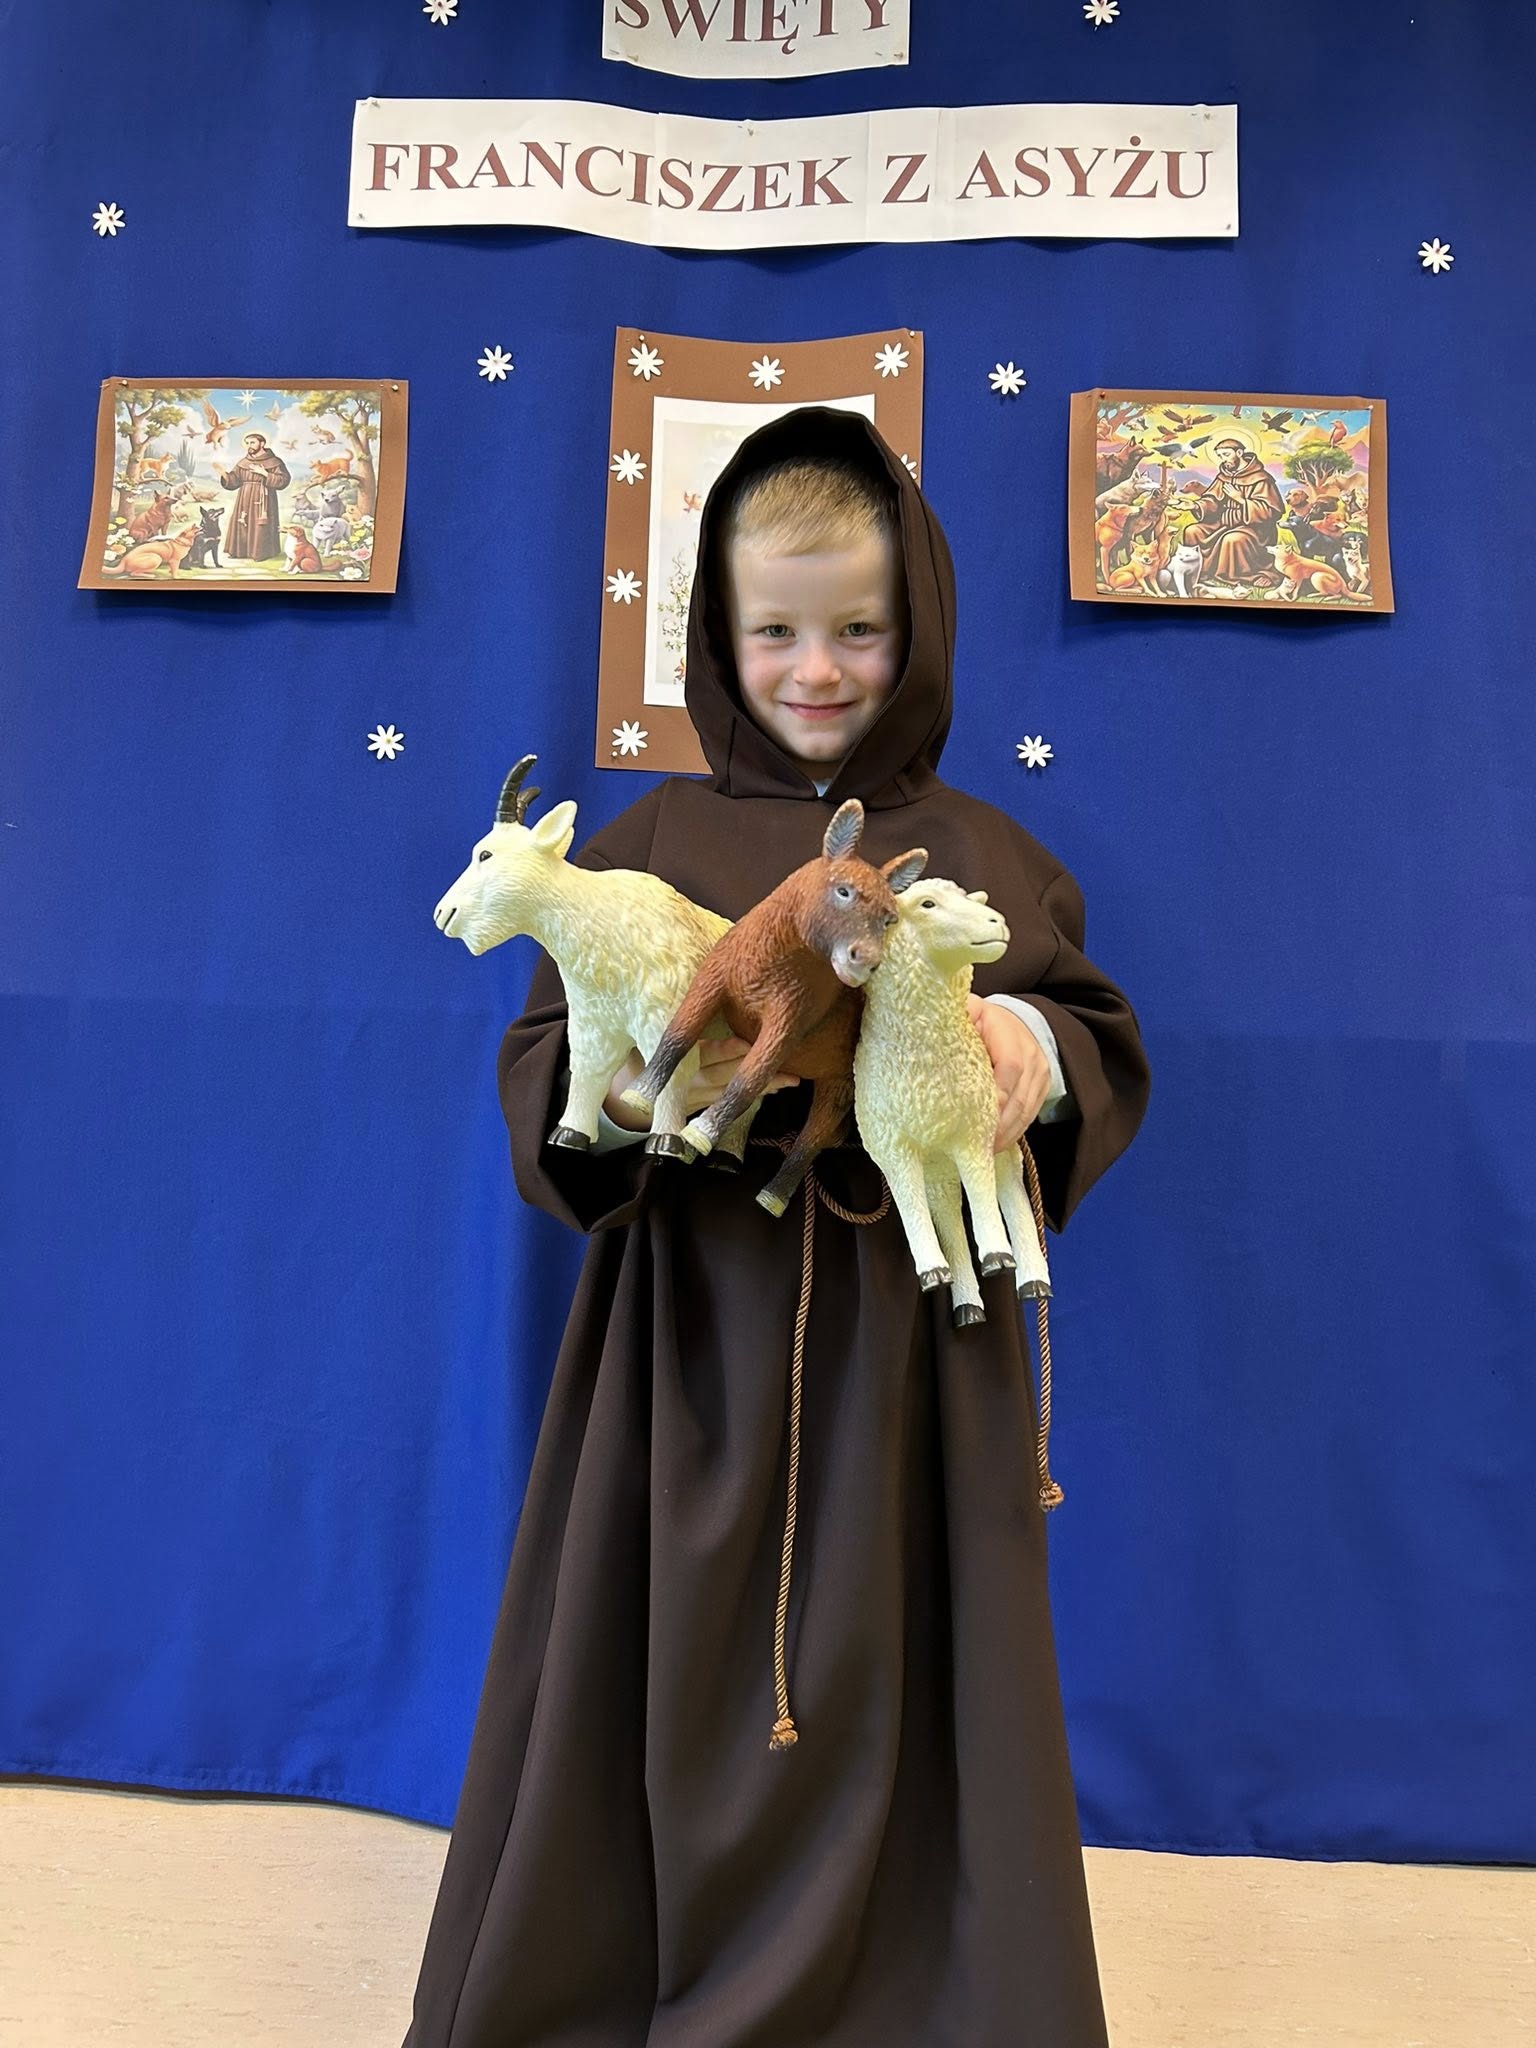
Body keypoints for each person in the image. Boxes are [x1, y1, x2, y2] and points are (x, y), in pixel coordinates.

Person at [401, 407, 1151, 2047]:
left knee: (903, 1663)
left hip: (914, 1352)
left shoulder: (982, 850)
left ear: (919, 625)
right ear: (716, 636)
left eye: (860, 630)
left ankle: (917, 1996)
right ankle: (629, 1970)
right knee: (667, 1666)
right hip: (689, 1340)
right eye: (776, 632)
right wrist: (617, 1102)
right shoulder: (646, 841)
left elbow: (1090, 1029)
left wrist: (1031, 1045)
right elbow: (551, 1055)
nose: (819, 670)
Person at [1182, 431, 1286, 587]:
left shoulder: (1261, 478)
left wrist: (1241, 500)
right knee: (1193, 531)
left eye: (1226, 454)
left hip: (1254, 529)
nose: (1223, 459)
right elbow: (1212, 500)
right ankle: (1198, 570)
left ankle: (1245, 576)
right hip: (1223, 524)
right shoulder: (1224, 476)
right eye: (1220, 456)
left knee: (1233, 539)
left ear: (1239, 453)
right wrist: (1195, 505)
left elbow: (1271, 511)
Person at [216, 431, 290, 560]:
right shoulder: (244, 462)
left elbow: (284, 480)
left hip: (264, 497)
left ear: (262, 443)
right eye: (247, 443)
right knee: (242, 522)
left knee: (260, 525)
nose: (249, 445)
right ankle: (240, 552)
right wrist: (225, 476)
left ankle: (260, 553)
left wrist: (264, 473)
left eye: (252, 442)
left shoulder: (274, 461)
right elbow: (235, 480)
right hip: (244, 497)